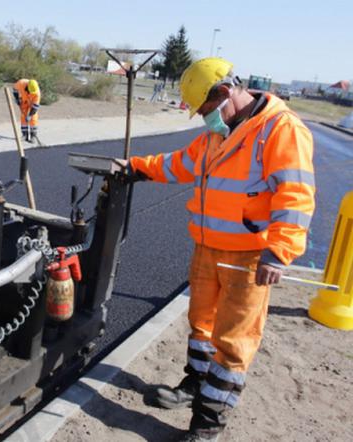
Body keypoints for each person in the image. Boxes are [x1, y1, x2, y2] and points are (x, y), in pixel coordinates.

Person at [124, 58, 315, 441]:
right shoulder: (220, 131)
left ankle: (207, 424)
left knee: (233, 341)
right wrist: (136, 167)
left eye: (207, 111)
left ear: (226, 93)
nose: (204, 120)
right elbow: (181, 163)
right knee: (203, 324)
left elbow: (295, 194)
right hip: (208, 247)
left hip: (249, 257)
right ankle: (195, 383)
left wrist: (279, 251)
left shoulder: (281, 130)